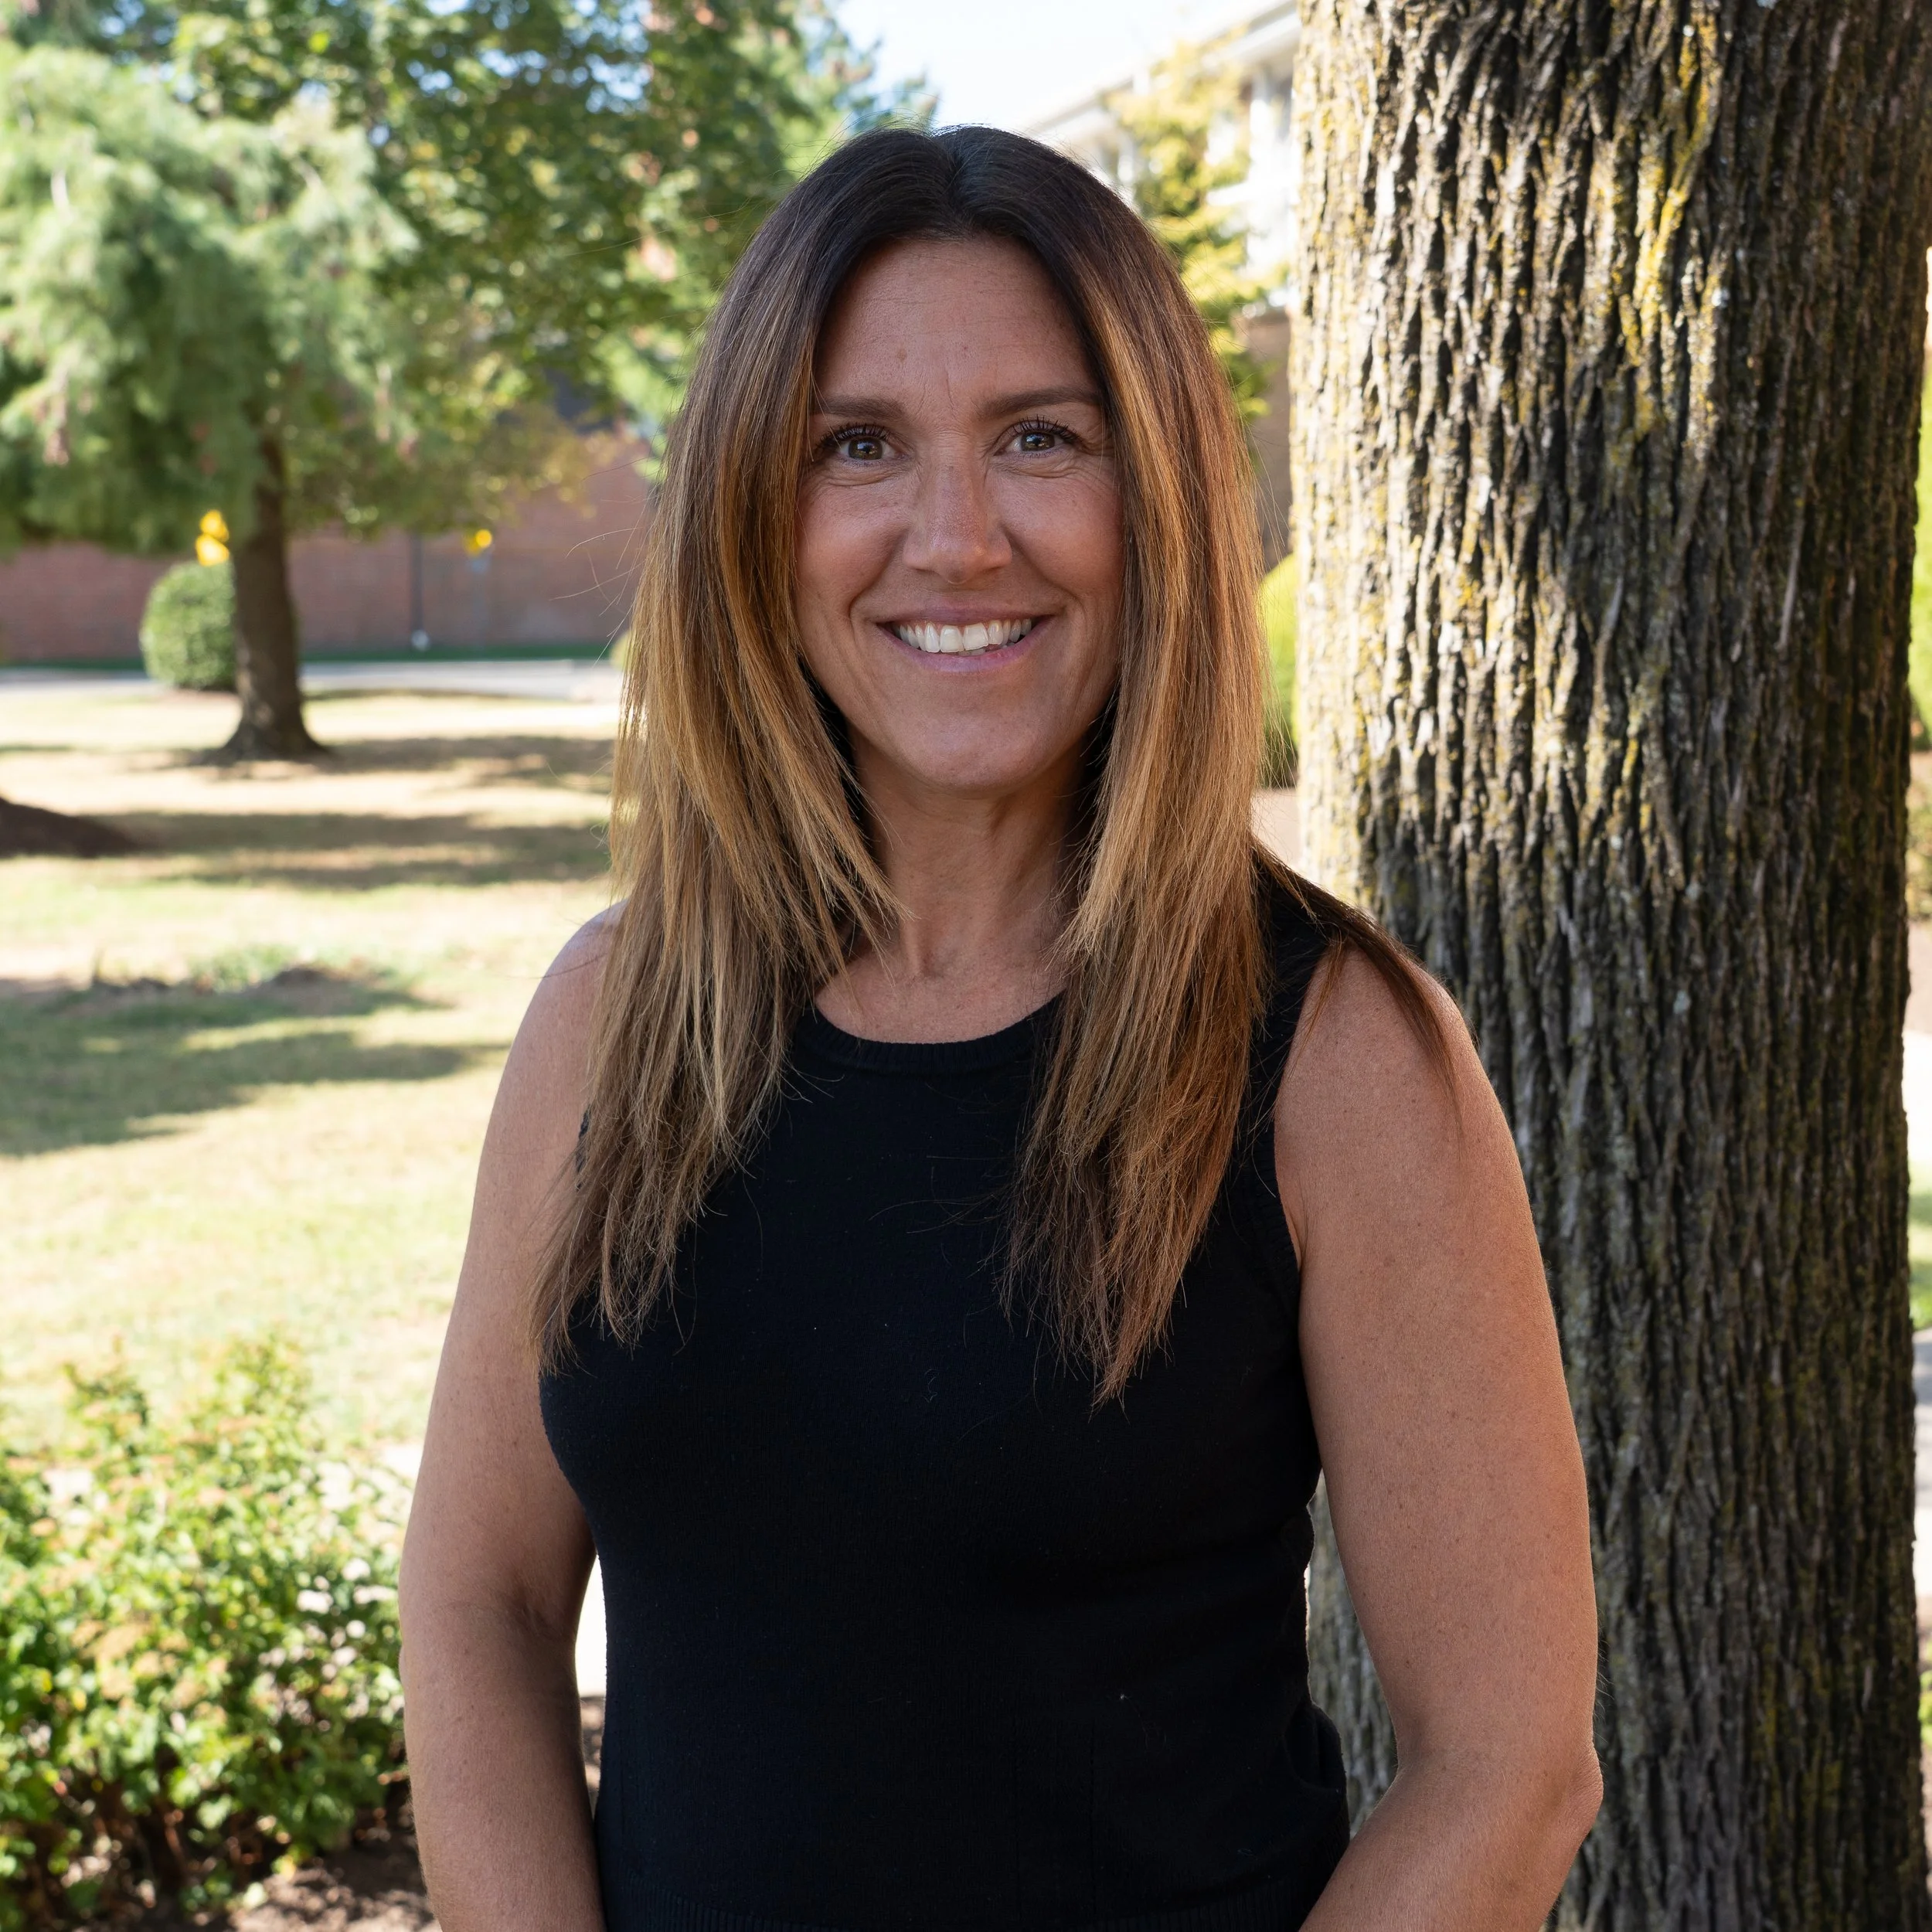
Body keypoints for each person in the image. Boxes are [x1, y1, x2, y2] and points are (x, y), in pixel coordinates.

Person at [398, 126, 1600, 1932]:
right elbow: (477, 1598)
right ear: (750, 506)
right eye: (855, 445)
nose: (955, 538)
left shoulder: (1333, 1056)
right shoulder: (614, 1021)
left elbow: (1508, 1766)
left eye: (1043, 437)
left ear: (1159, 501)